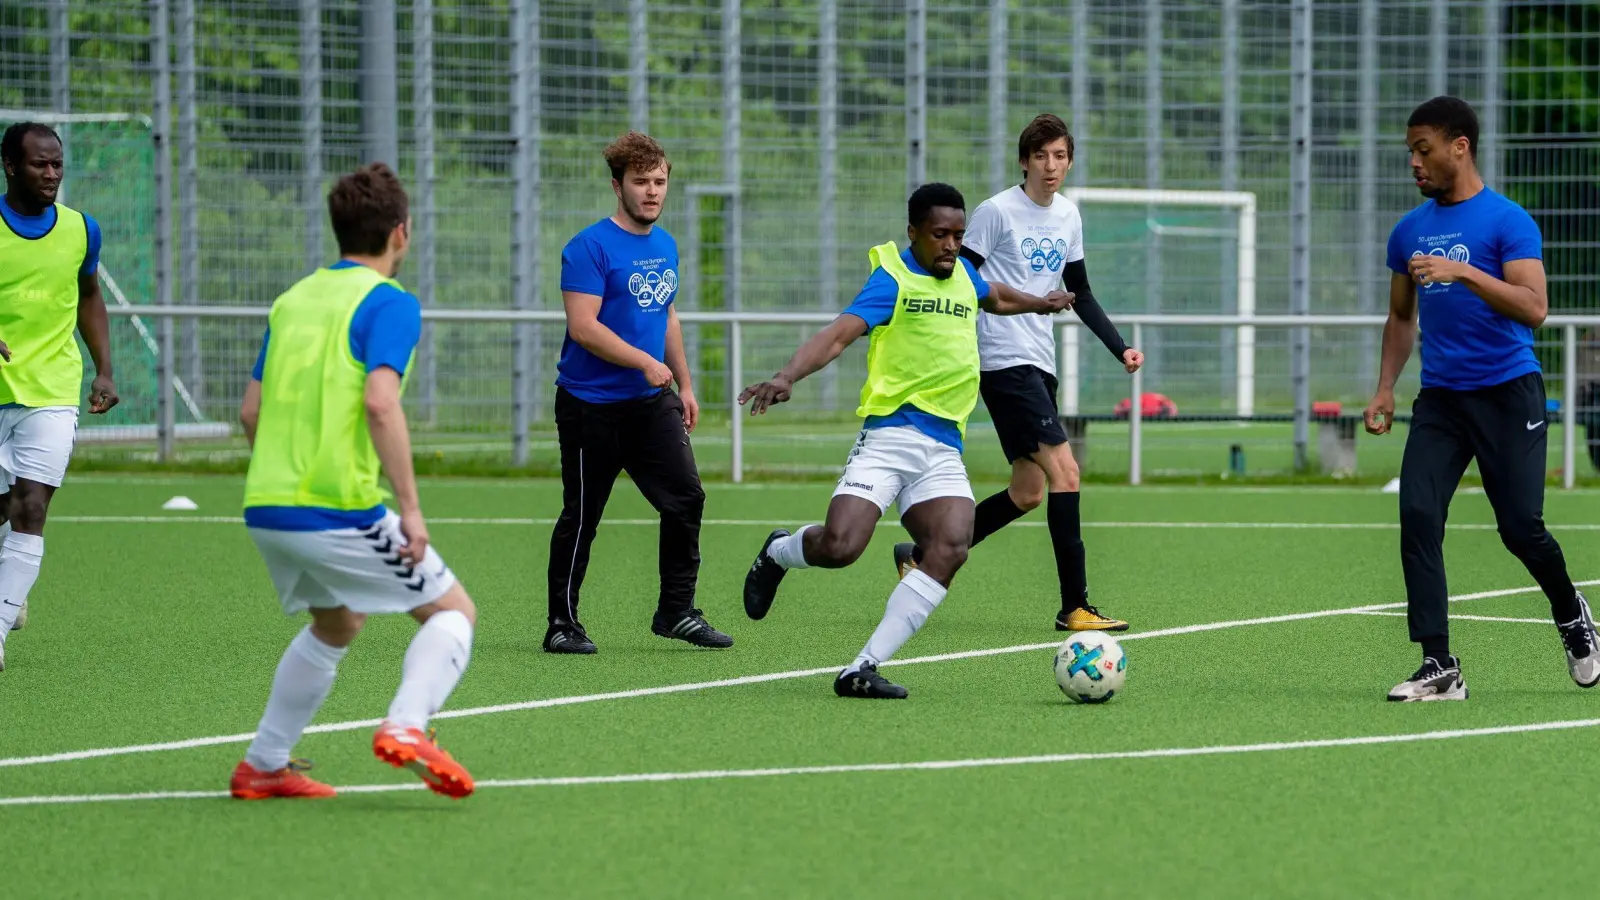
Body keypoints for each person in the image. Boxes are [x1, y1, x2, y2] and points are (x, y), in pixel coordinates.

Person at [738, 183, 1073, 699]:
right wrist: (787, 377)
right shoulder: (892, 278)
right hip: (890, 435)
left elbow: (997, 295)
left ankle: (862, 667)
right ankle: (780, 552)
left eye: (958, 234)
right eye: (940, 234)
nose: (951, 244)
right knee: (841, 546)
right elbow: (838, 335)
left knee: (951, 545)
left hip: (942, 448)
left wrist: (1039, 302)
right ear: (913, 232)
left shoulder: (964, 274)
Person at [230, 163, 477, 800]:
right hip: (335, 508)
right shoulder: (390, 303)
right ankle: (407, 725)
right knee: (452, 613)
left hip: (267, 506)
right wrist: (412, 512)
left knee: (337, 624)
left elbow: (250, 413)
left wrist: (283, 476)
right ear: (402, 233)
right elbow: (379, 403)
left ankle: (264, 764)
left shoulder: (293, 299)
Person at [1364, 96, 1598, 701]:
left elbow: (1535, 308)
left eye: (1424, 150)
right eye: (1410, 152)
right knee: (1417, 513)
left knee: (1521, 528)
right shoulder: (1408, 230)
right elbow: (1399, 317)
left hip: (1507, 393)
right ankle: (1439, 664)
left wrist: (1463, 272)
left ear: (1459, 146)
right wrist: (1386, 387)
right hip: (1441, 400)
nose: (1414, 163)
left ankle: (1572, 613)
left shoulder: (1507, 221)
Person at [892, 114, 1143, 633]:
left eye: (1059, 156)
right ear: (1024, 161)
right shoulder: (996, 212)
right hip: (1002, 360)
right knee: (1066, 473)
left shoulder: (1069, 216)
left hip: (1039, 360)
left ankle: (921, 554)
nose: (1050, 166)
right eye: (1040, 156)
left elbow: (1081, 291)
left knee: (1028, 490)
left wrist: (1119, 347)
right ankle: (1074, 606)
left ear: (1069, 161)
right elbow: (961, 278)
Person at [543, 131, 730, 655]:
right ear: (617, 185)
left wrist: (685, 382)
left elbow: (665, 314)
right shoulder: (588, 247)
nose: (652, 192)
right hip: (589, 408)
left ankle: (676, 612)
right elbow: (583, 327)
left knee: (686, 498)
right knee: (582, 516)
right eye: (641, 182)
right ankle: (562, 623)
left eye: (660, 182)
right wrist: (645, 362)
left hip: (652, 404)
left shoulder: (665, 244)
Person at [0, 122, 119, 671]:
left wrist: (104, 370)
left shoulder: (80, 229)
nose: (51, 174)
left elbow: (89, 295)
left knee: (31, 507)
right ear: (9, 166)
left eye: (57, 165)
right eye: (38, 165)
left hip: (51, 388)